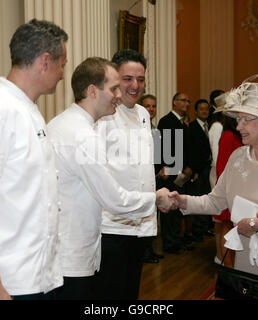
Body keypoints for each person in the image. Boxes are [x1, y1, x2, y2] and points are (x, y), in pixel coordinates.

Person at [47, 57, 173, 300]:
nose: (120, 93)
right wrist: (156, 199)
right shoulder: (84, 134)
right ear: (93, 91)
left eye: (140, 79)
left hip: (84, 242)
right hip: (78, 246)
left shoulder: (67, 123)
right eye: (116, 86)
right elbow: (114, 199)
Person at [0, 19, 68, 300]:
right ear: (45, 61)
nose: (62, 74)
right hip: (9, 283)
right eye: (62, 64)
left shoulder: (28, 109)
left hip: (38, 277)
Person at [169, 81, 258, 300]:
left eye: (245, 120)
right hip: (242, 257)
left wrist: (257, 223)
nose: (238, 126)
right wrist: (179, 201)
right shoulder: (238, 157)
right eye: (238, 120)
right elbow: (215, 202)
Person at [93, 50, 160, 300]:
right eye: (128, 78)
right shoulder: (103, 115)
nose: (135, 85)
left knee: (131, 291)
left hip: (140, 224)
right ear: (114, 78)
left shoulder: (143, 114)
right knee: (109, 294)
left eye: (140, 79)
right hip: (112, 226)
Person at [157, 93, 194, 254]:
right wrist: (168, 169)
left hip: (181, 173)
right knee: (168, 211)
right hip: (170, 173)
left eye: (188, 101)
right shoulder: (166, 121)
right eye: (184, 100)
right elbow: (164, 149)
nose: (187, 103)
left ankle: (176, 241)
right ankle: (170, 243)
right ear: (174, 102)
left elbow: (185, 150)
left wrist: (188, 168)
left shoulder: (182, 123)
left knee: (177, 209)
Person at [213, 94, 243, 267]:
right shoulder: (228, 136)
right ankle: (226, 264)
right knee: (227, 227)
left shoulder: (237, 136)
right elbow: (222, 167)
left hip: (238, 188)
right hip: (229, 189)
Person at [138, 94, 165, 264]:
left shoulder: (154, 127)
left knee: (152, 217)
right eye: (147, 106)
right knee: (144, 217)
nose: (151, 109)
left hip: (155, 177)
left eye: (153, 106)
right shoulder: (138, 128)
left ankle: (150, 250)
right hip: (142, 181)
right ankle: (145, 253)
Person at [186, 99, 213, 243]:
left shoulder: (211, 127)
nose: (204, 111)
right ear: (196, 111)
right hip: (197, 171)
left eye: (206, 109)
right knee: (198, 199)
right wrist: (194, 170)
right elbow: (190, 150)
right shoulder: (192, 127)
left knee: (208, 198)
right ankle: (196, 232)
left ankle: (204, 228)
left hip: (208, 168)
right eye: (201, 109)